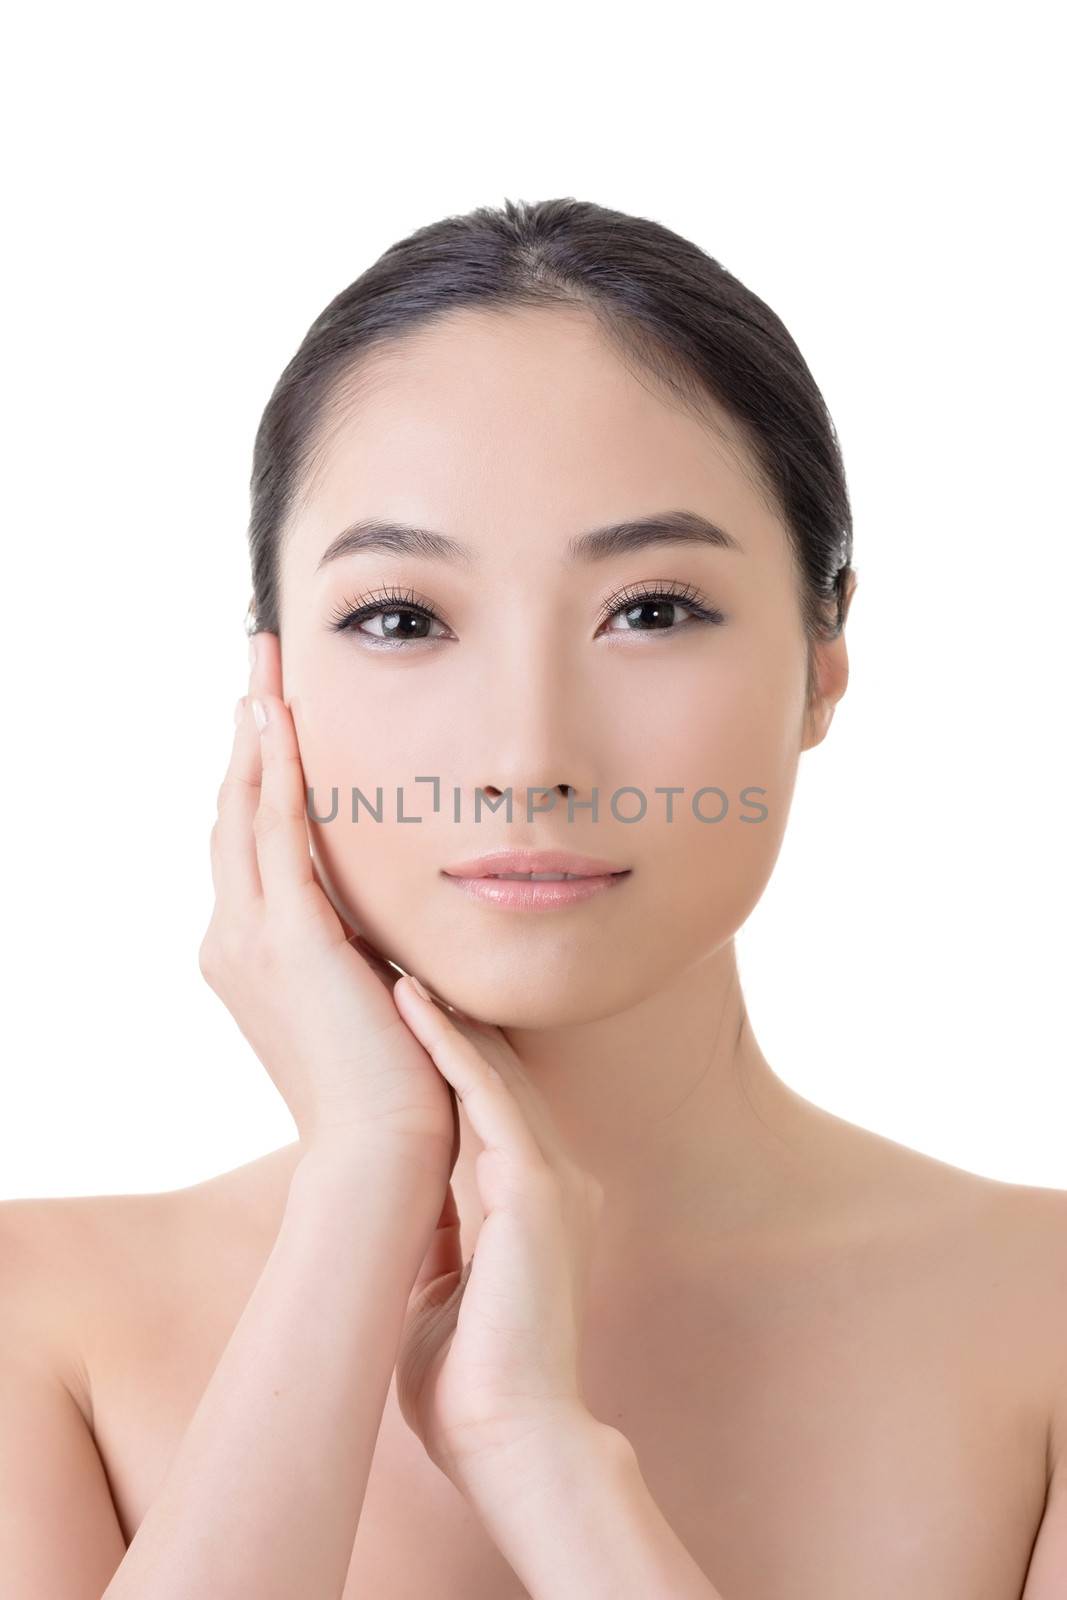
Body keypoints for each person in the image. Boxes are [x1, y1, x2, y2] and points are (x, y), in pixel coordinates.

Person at [2, 196, 1064, 1598]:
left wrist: (544, 1458)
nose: (526, 760)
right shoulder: (41, 1321)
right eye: (401, 617)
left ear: (824, 659)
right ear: (271, 685)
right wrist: (366, 1176)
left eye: (653, 608)